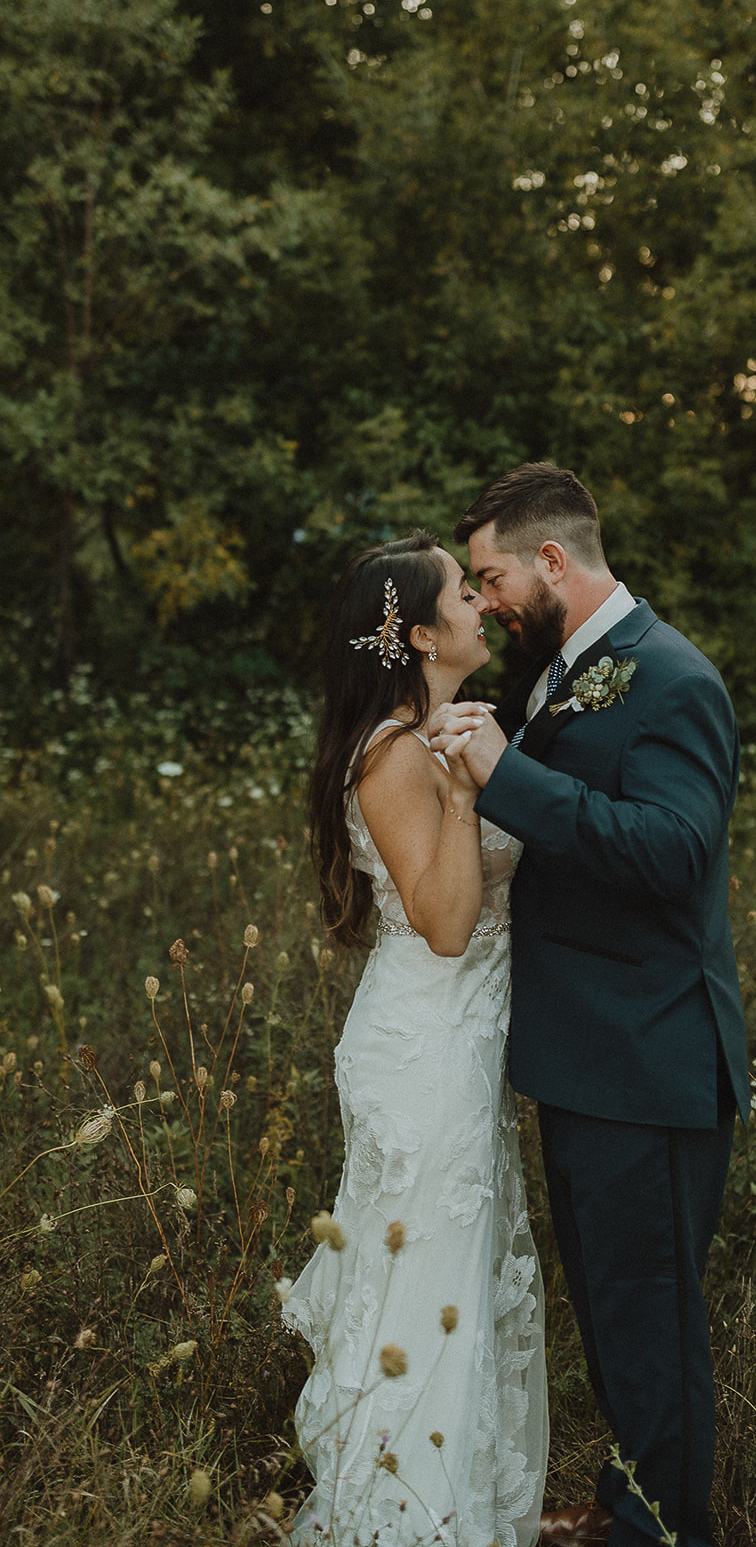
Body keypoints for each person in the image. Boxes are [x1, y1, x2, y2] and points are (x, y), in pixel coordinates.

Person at [429, 465, 750, 1547]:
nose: (482, 602)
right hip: (586, 1058)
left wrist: (506, 775)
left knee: (651, 1323)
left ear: (552, 561)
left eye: (490, 577)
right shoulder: (565, 669)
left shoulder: (669, 678)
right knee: (617, 1319)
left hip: (648, 1063)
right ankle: (628, 1510)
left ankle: (668, 1533)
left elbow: (672, 852)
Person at [283, 531, 548, 1547]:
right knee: (427, 1289)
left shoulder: (430, 730)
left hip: (461, 1038)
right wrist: (472, 790)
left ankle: (454, 1513)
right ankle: (405, 1525)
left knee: (455, 1284)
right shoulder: (395, 754)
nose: (483, 606)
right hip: (426, 1040)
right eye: (462, 597)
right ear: (424, 633)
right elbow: (443, 924)